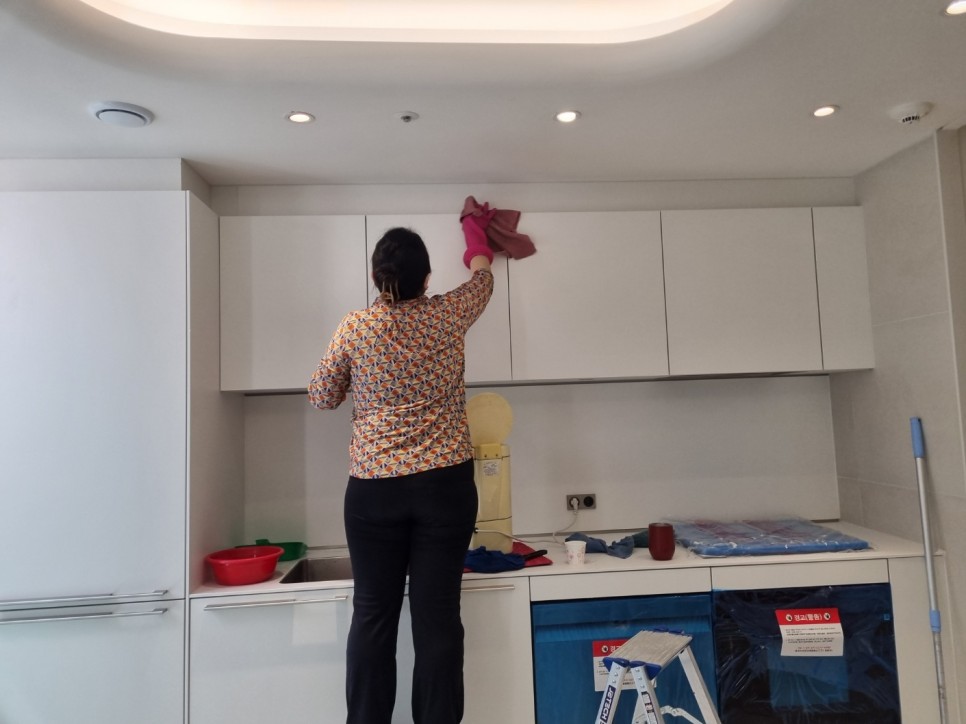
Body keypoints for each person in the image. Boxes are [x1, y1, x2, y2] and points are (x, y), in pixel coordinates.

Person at [307, 217, 495, 724]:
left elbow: (322, 397)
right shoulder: (448, 314)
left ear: (376, 277)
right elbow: (483, 280)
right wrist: (477, 239)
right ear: (427, 278)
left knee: (373, 614)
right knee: (438, 618)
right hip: (445, 486)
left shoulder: (355, 327)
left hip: (375, 490)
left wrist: (361, 382)